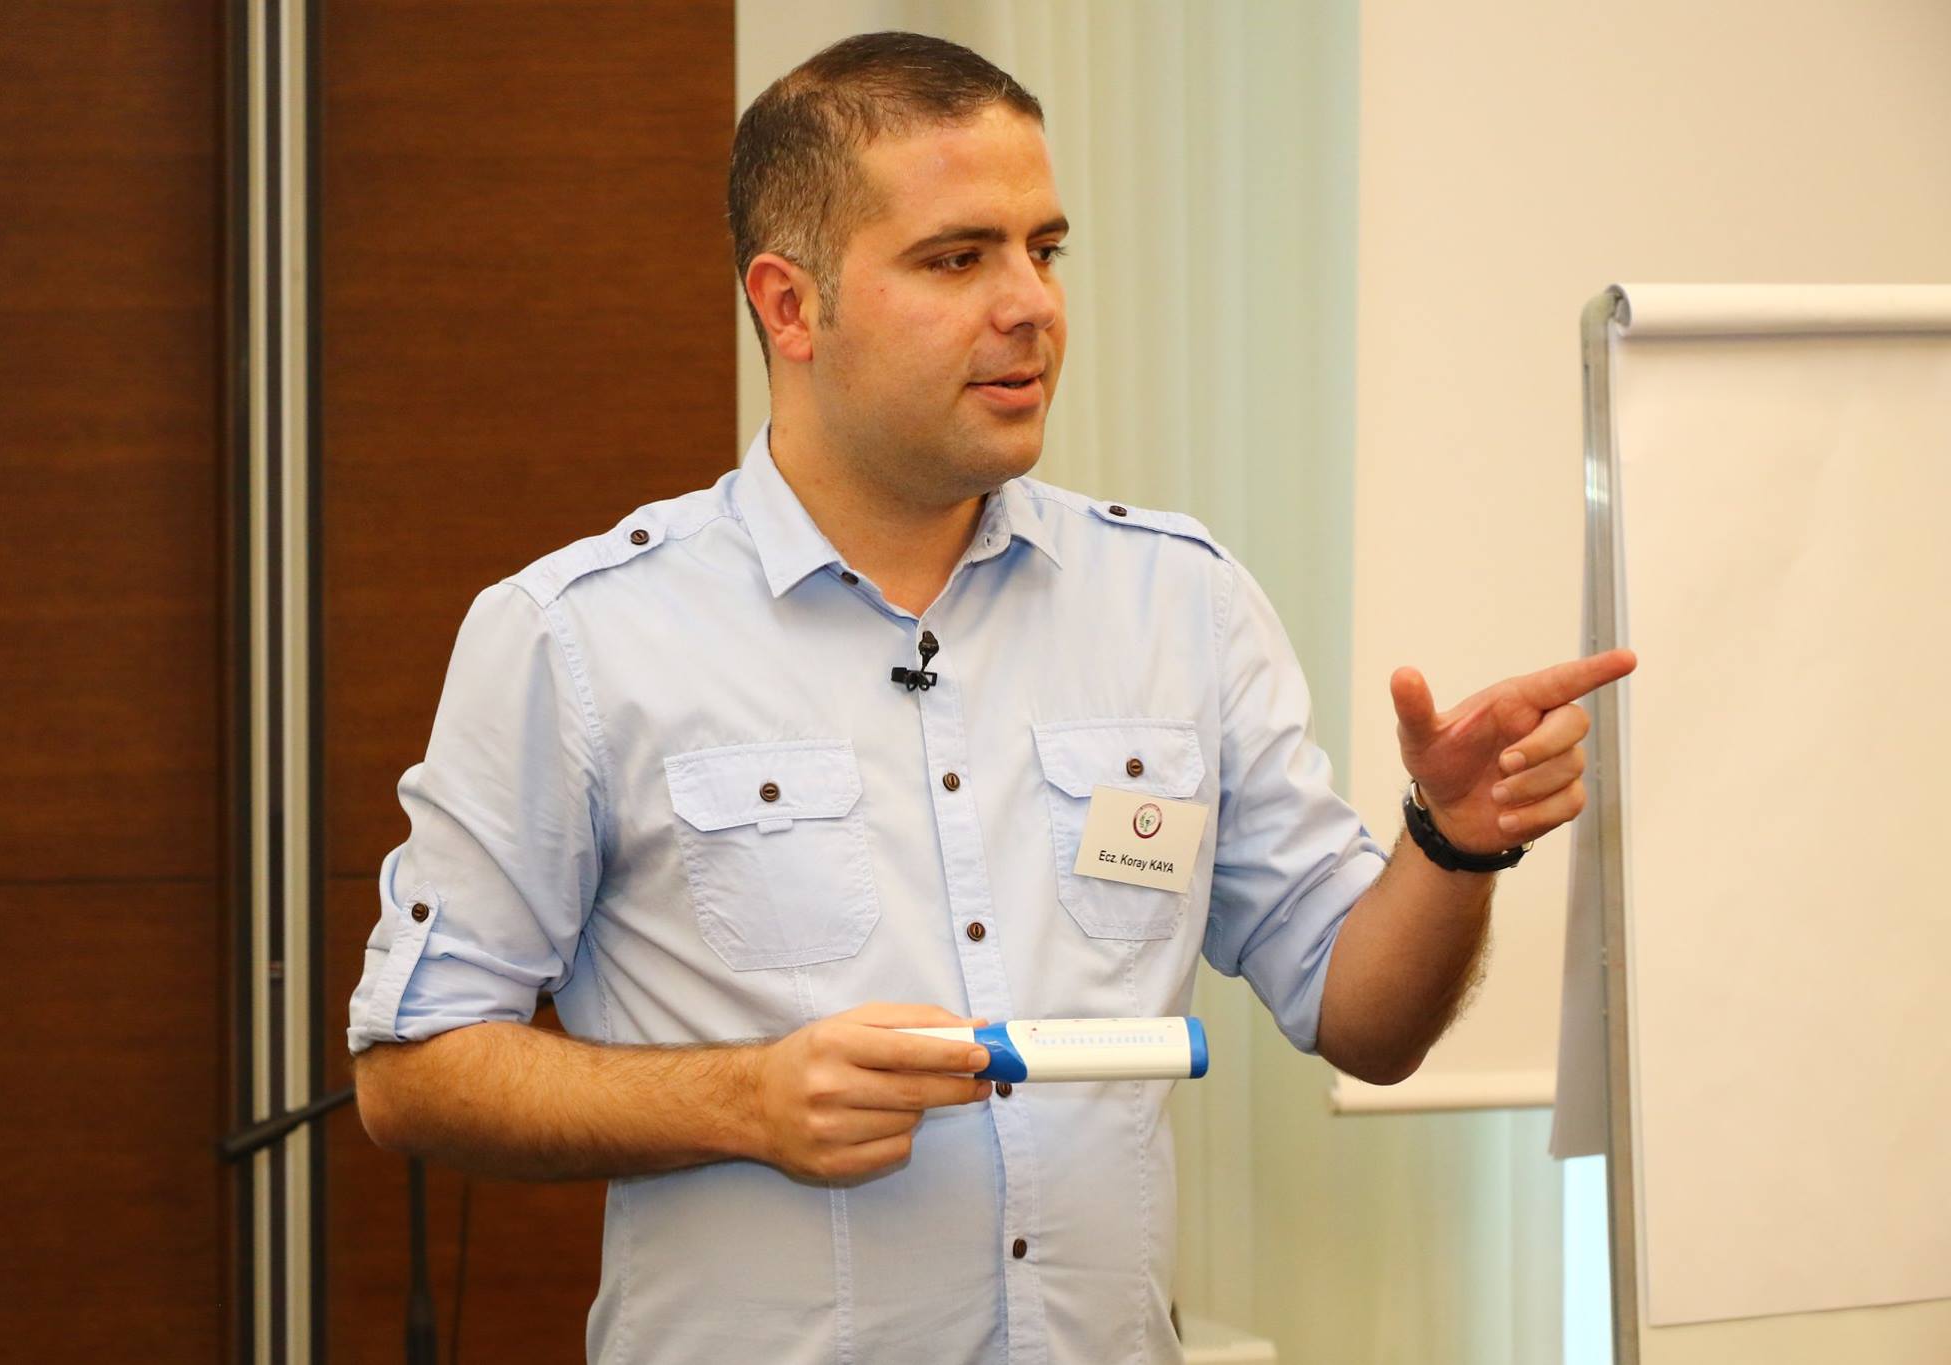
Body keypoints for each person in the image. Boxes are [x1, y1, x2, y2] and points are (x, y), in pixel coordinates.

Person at [348, 30, 1635, 1365]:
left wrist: (1452, 842)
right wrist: (747, 1101)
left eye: (1045, 248)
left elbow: (1363, 1019)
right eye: (958, 259)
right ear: (790, 307)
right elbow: (413, 1068)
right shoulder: (579, 637)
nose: (1032, 305)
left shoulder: (1177, 602)